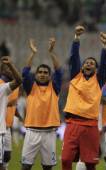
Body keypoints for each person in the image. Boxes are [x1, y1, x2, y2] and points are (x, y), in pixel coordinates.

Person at [61, 25, 106, 170]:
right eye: (87, 62)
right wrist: (76, 39)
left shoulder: (98, 80)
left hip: (90, 125)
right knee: (65, 159)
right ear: (81, 67)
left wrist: (105, 47)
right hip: (72, 123)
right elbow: (74, 58)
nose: (89, 64)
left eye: (92, 63)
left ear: (96, 69)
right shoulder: (76, 76)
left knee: (90, 163)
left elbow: (105, 65)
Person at [21, 38, 62, 170]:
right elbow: (25, 73)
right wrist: (33, 53)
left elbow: (59, 71)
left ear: (50, 76)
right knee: (26, 166)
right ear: (36, 75)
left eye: (45, 73)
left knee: (47, 167)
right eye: (40, 72)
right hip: (32, 131)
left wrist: (51, 52)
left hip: (49, 133)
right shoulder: (30, 87)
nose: (42, 74)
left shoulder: (54, 88)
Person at [0, 56, 22, 170]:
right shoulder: (2, 85)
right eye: (7, 68)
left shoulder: (7, 87)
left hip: (5, 127)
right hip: (4, 125)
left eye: (10, 68)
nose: (9, 70)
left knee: (6, 156)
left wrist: (20, 117)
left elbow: (19, 80)